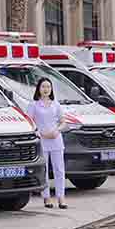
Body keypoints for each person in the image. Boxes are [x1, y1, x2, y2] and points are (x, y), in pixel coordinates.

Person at [28, 78, 67, 209]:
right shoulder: (34, 104)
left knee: (59, 170)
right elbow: (30, 122)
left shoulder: (56, 104)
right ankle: (46, 197)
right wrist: (40, 133)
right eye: (43, 86)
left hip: (56, 140)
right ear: (39, 88)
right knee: (44, 170)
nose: (46, 89)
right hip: (42, 140)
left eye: (48, 87)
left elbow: (63, 122)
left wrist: (57, 131)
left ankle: (61, 197)